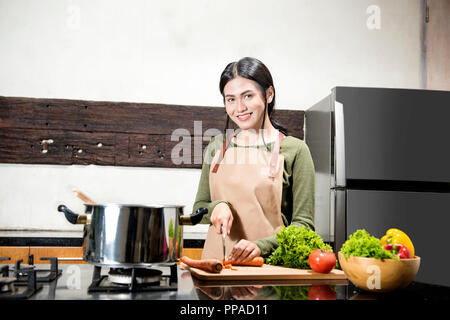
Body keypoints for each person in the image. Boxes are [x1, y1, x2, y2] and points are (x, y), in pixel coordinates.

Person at [193, 57, 315, 264]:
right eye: (230, 99)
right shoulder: (217, 146)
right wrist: (218, 206)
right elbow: (200, 208)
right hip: (218, 269)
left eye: (247, 96)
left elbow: (304, 226)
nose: (239, 107)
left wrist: (261, 246)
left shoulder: (295, 150)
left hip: (270, 271)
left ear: (269, 94)